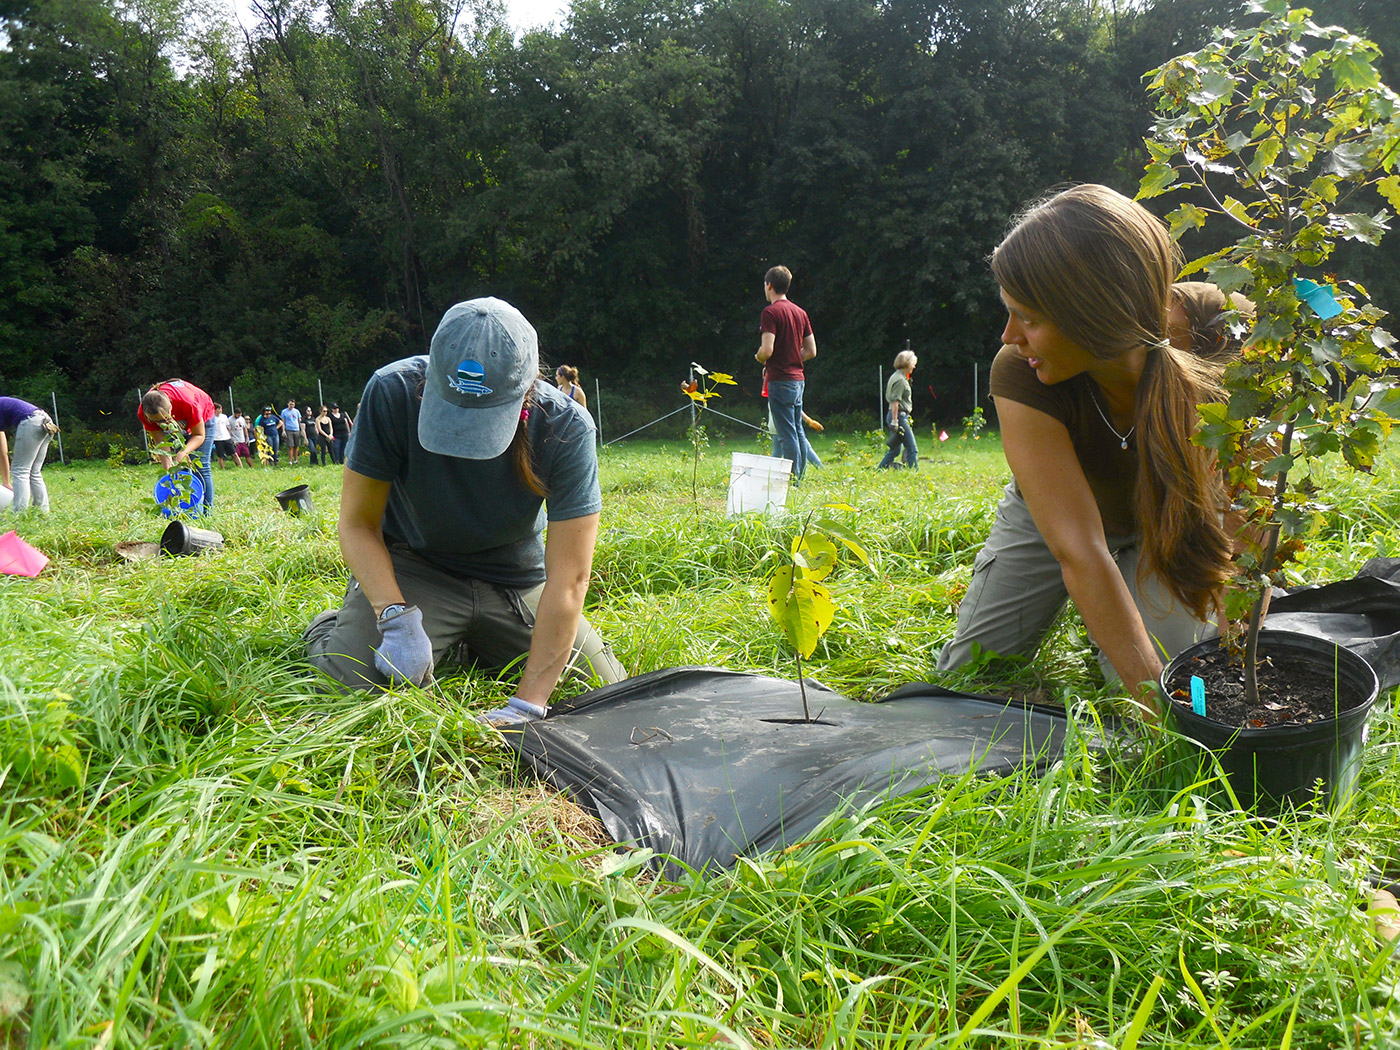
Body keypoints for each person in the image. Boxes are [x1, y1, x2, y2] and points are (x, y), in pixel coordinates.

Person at [936, 185, 1237, 718]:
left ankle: (1137, 606)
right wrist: (1160, 713)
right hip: (1058, 514)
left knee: (1168, 669)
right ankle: (1113, 614)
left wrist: (1238, 624)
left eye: (1027, 318)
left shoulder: (1216, 325)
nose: (1009, 337)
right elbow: (1078, 548)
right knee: (970, 675)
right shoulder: (1019, 370)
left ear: (1095, 316)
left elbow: (1252, 504)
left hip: (1169, 514)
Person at [303, 297, 626, 723]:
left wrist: (527, 704)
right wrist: (392, 614)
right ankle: (333, 626)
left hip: (516, 579)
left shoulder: (564, 426)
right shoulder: (392, 391)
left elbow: (570, 577)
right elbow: (357, 523)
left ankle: (469, 638)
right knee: (352, 684)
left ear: (528, 386)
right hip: (415, 568)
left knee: (598, 692)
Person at [755, 265, 817, 482]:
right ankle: (800, 478)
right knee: (798, 431)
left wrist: (759, 357)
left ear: (769, 285)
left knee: (787, 435)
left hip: (780, 380)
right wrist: (792, 357)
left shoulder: (770, 312)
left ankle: (793, 481)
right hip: (798, 380)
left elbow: (767, 350)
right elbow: (811, 351)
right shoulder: (800, 312)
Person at [138, 379, 217, 515]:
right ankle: (184, 510)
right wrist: (169, 471)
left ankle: (207, 513)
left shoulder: (187, 403)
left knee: (201, 466)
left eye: (165, 419)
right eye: (157, 422)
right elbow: (161, 444)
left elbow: (199, 435)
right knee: (179, 469)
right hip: (181, 422)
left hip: (204, 416)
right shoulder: (144, 413)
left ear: (170, 407)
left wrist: (184, 451)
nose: (163, 424)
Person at [0, 396, 56, 513]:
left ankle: (19, 512)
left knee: (20, 470)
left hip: (31, 421)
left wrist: (6, 482)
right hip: (46, 420)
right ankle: (42, 511)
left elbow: (2, 451)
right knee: (34, 471)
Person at [877, 349, 919, 470]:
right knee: (912, 448)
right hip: (899, 416)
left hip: (896, 415)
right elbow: (895, 401)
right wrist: (895, 421)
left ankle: (879, 470)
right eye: (913, 363)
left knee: (895, 450)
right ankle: (913, 473)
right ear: (906, 364)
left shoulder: (897, 376)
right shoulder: (900, 380)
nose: (914, 366)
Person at [210, 404, 237, 469]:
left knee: (234, 453)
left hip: (226, 437)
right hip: (217, 439)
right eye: (219, 409)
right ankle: (223, 468)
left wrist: (230, 435)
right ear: (215, 410)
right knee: (220, 455)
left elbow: (228, 427)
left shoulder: (224, 416)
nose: (220, 410)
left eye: (221, 409)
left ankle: (240, 467)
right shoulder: (211, 418)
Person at [280, 399, 306, 466]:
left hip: (296, 429)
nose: (292, 406)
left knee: (296, 445)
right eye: (290, 404)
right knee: (290, 446)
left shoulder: (297, 411)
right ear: (288, 404)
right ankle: (290, 460)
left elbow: (299, 420)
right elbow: (283, 422)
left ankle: (296, 460)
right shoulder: (284, 412)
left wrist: (302, 430)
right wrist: (283, 431)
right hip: (289, 430)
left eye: (293, 404)